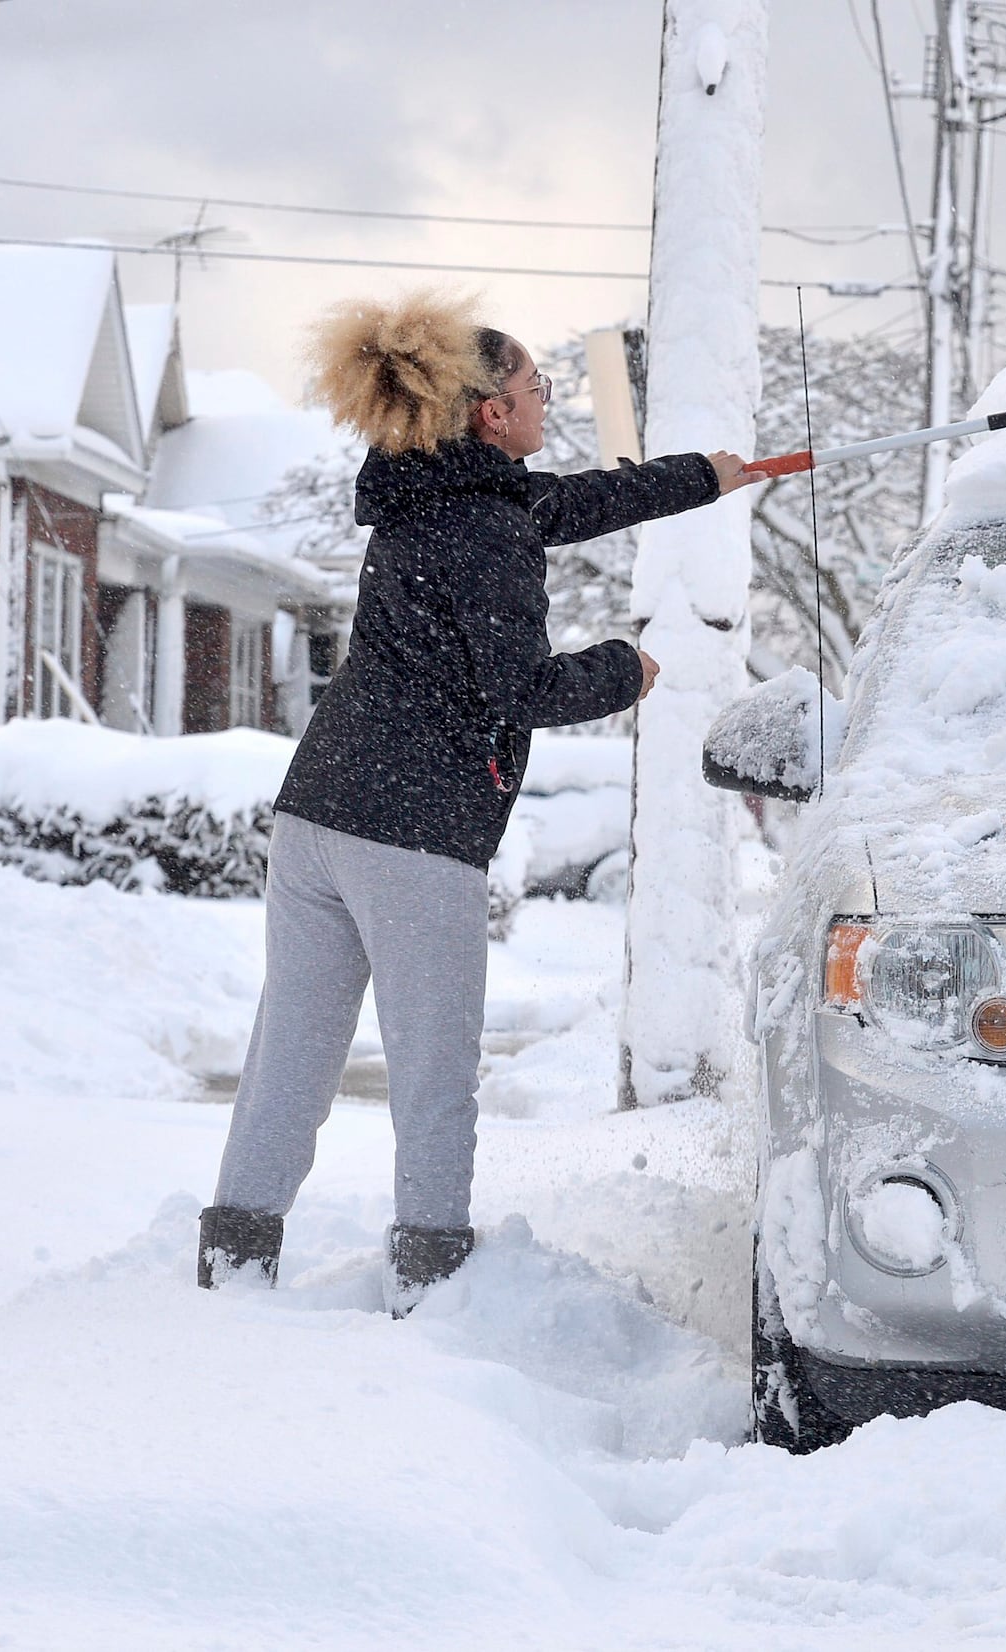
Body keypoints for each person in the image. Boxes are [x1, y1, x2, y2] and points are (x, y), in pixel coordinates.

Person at [196, 290, 761, 1304]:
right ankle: (432, 1280)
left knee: (292, 1048)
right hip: (410, 831)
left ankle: (233, 1263)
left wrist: (701, 479)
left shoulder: (430, 495)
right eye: (536, 384)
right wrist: (625, 670)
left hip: (318, 811)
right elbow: (523, 690)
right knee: (432, 1067)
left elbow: (567, 504)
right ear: (492, 412)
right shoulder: (488, 531)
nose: (548, 396)